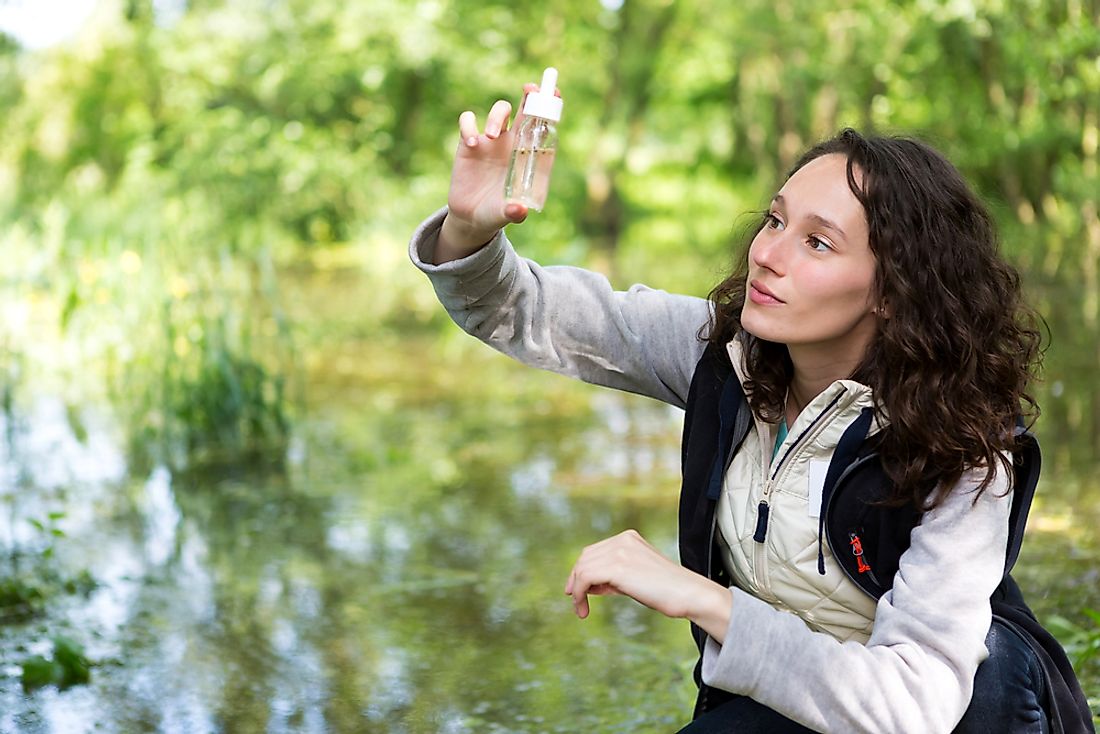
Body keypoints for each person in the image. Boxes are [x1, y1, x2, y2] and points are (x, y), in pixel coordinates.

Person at [409, 83, 1095, 733]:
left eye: (817, 242)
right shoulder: (723, 355)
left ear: (894, 290)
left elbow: (911, 708)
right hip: (791, 699)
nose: (767, 253)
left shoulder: (967, 450)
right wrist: (469, 234)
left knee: (992, 665)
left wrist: (705, 599)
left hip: (962, 716)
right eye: (775, 219)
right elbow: (522, 310)